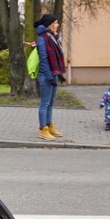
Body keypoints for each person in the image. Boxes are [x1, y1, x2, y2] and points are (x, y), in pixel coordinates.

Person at [35, 13, 66, 141]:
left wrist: (57, 75)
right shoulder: (43, 39)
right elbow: (44, 60)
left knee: (50, 103)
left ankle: (49, 125)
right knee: (45, 103)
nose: (58, 25)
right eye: (56, 23)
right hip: (46, 75)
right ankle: (43, 129)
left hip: (53, 74)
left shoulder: (53, 37)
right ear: (50, 25)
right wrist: (50, 77)